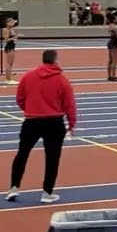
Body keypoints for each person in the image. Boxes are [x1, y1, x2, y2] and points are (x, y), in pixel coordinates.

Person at [6, 50, 77, 204]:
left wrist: (29, 109)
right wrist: (71, 124)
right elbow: (69, 104)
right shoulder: (62, 80)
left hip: (31, 121)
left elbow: (20, 98)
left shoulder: (28, 76)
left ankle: (13, 188)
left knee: (22, 154)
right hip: (54, 122)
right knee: (52, 158)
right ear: (56, 60)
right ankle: (47, 192)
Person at [2, 17, 19, 84]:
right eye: (10, 22)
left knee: (11, 63)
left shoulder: (11, 29)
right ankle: (8, 79)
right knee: (9, 63)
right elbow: (6, 40)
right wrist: (15, 37)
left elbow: (13, 38)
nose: (12, 23)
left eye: (13, 22)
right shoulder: (5, 30)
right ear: (7, 23)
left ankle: (9, 77)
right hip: (9, 47)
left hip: (12, 46)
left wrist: (16, 37)